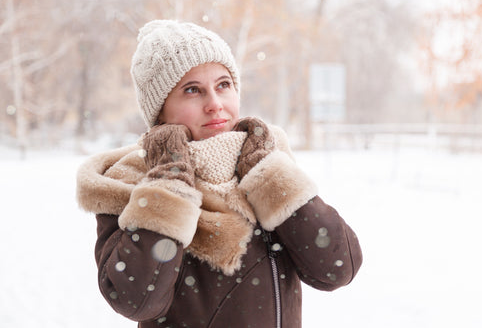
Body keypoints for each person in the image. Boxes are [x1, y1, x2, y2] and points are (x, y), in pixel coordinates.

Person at [76, 19, 362, 328]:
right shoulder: (131, 183)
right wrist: (170, 183)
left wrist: (269, 178)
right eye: (192, 90)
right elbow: (136, 300)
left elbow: (336, 268)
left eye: (223, 85)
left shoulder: (265, 162)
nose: (214, 104)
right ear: (160, 111)